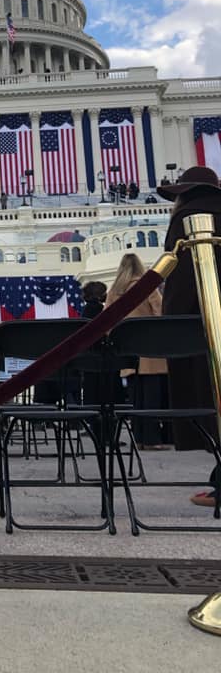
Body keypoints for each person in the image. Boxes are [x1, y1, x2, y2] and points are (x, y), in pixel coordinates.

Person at [158, 167, 221, 506]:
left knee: (211, 402)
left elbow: (181, 286)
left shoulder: (188, 218)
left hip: (200, 325)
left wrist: (174, 326)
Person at [105, 253, 169, 449]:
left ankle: (139, 437)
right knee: (152, 397)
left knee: (137, 399)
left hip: (127, 350)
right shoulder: (146, 286)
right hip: (150, 349)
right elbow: (160, 310)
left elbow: (107, 322)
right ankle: (153, 439)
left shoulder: (114, 291)